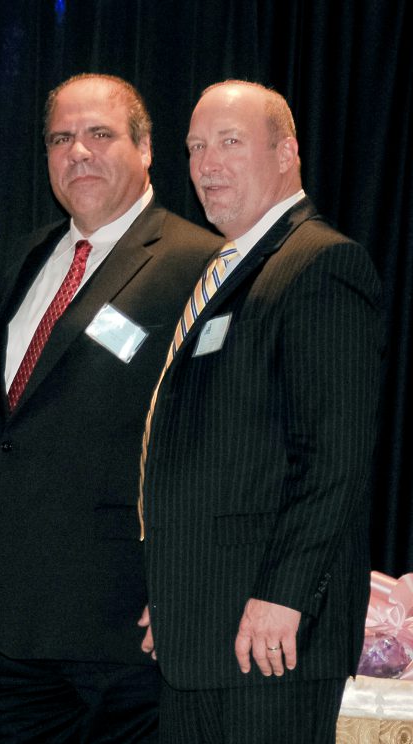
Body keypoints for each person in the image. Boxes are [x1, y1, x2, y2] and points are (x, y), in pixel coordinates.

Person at [0, 73, 220, 742]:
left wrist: (186, 590)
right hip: (8, 631)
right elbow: (1, 423)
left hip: (123, 626)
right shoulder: (23, 256)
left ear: (146, 148)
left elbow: (217, 444)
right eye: (61, 137)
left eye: (100, 134)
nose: (79, 151)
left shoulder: (201, 263)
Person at [138, 80, 385, 742]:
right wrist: (175, 598)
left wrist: (285, 595)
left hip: (272, 638)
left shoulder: (321, 264)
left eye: (230, 142)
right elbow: (211, 454)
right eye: (195, 147)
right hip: (205, 633)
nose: (208, 164)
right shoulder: (225, 270)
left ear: (287, 153)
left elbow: (333, 457)